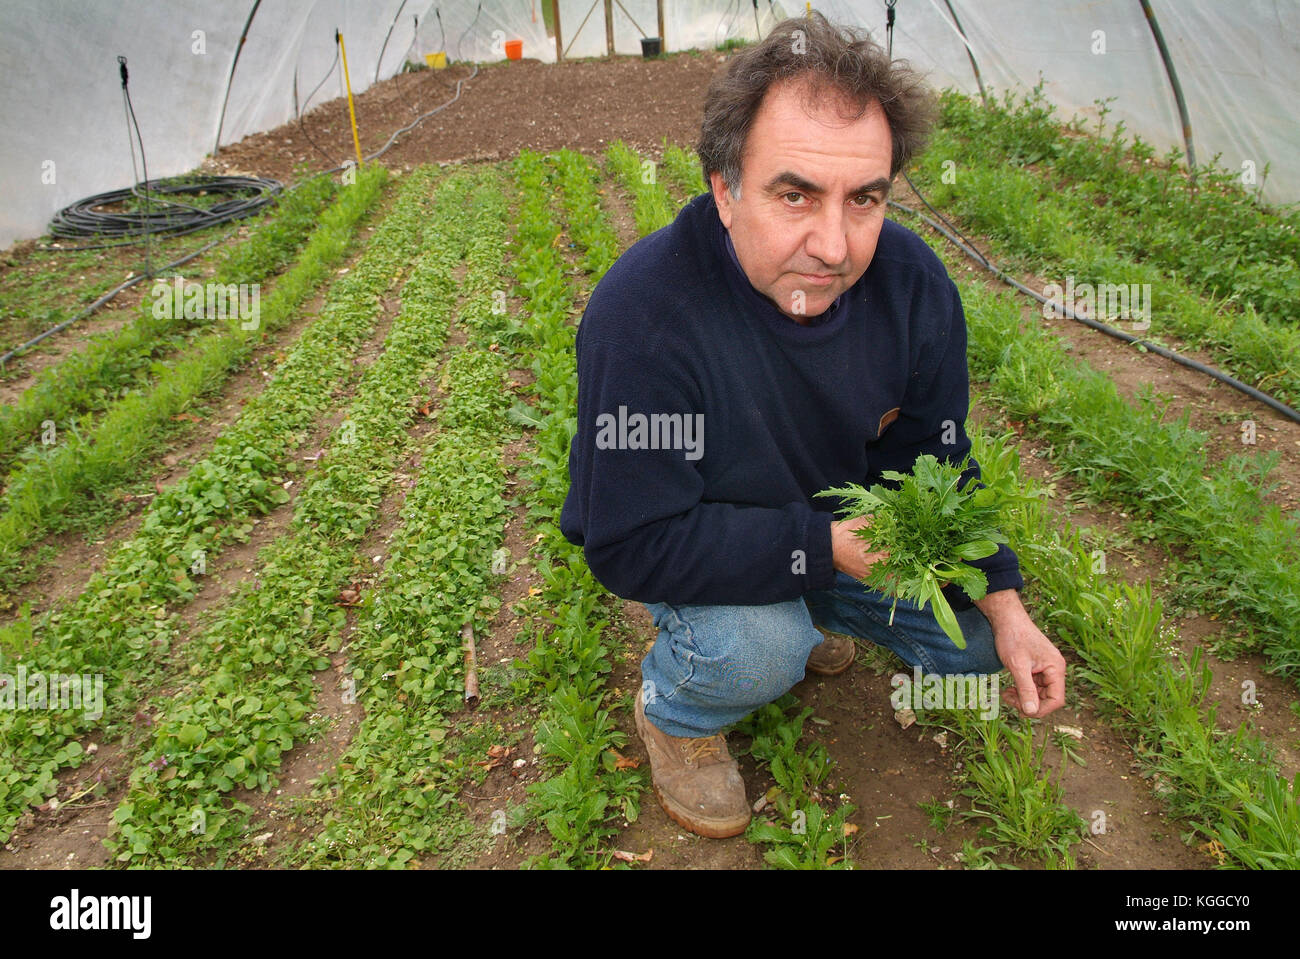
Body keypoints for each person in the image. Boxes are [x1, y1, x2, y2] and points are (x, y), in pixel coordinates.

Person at [559, 12, 1067, 839]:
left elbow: (934, 460)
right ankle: (678, 713)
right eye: (794, 194)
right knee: (758, 648)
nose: (833, 245)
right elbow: (629, 543)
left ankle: (812, 609)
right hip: (705, 535)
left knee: (972, 648)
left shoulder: (911, 284)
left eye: (863, 198)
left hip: (832, 528)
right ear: (724, 190)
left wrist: (1006, 604)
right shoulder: (646, 316)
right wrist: (824, 549)